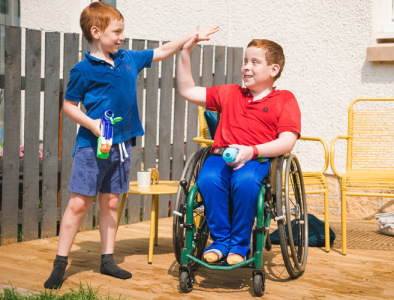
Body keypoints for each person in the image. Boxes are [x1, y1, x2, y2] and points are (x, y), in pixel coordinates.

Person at [44, 2, 218, 289]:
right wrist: (92, 124)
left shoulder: (128, 59)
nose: (122, 37)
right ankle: (60, 264)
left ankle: (107, 260)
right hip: (92, 147)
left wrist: (191, 37)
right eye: (117, 32)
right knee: (78, 204)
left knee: (112, 202)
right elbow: (69, 105)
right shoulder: (83, 69)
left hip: (121, 145)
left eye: (122, 31)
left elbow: (161, 51)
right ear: (96, 32)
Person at [177, 36, 301, 265]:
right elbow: (187, 90)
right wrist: (185, 52)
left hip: (257, 159)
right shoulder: (229, 93)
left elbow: (287, 142)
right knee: (208, 178)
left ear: (274, 69)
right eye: (245, 61)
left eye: (254, 62)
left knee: (244, 182)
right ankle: (221, 241)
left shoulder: (284, 99)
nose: (246, 67)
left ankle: (240, 244)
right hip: (221, 155)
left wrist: (251, 151)